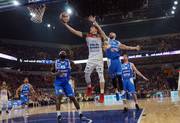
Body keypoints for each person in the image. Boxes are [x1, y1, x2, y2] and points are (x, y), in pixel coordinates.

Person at [60, 13, 105, 103]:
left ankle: (102, 94)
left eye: (92, 27)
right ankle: (89, 87)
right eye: (90, 27)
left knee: (101, 77)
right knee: (86, 74)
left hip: (99, 60)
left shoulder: (100, 36)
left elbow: (102, 32)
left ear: (95, 29)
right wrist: (66, 25)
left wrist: (95, 22)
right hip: (91, 59)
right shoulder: (87, 35)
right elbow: (74, 31)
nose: (90, 28)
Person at [51, 51, 85, 122]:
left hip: (66, 83)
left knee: (72, 97)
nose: (63, 54)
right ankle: (59, 115)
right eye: (62, 54)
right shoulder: (55, 62)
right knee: (59, 96)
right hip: (58, 83)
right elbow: (51, 73)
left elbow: (78, 66)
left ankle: (80, 114)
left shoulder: (69, 62)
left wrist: (79, 68)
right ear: (59, 55)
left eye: (64, 54)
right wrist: (57, 73)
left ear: (65, 55)